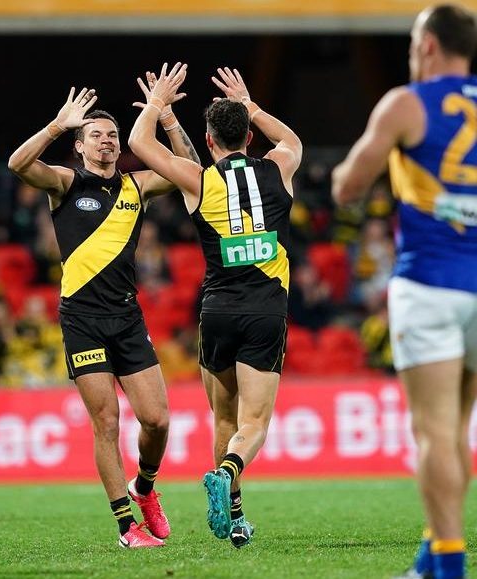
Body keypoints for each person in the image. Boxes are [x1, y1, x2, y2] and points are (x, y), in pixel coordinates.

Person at [7, 82, 200, 548]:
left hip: (127, 318)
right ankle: (125, 527)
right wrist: (56, 125)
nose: (107, 141)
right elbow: (18, 165)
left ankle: (145, 488)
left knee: (157, 420)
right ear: (79, 145)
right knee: (107, 422)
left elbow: (193, 171)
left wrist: (166, 117)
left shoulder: (138, 185)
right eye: (95, 135)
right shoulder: (66, 183)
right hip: (82, 320)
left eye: (112, 135)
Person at [128, 63, 302, 548]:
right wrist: (251, 105)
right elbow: (292, 140)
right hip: (265, 311)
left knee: (223, 419)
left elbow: (139, 144)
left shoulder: (198, 180)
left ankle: (237, 515)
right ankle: (227, 473)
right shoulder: (279, 167)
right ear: (249, 135)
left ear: (208, 140)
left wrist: (159, 106)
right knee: (253, 423)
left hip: (218, 312)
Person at [331, 5, 477, 578]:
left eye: (415, 43)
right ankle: (430, 555)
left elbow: (347, 187)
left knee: (434, 432)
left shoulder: (406, 104)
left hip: (431, 283)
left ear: (430, 45)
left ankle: (448, 566)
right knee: (457, 430)